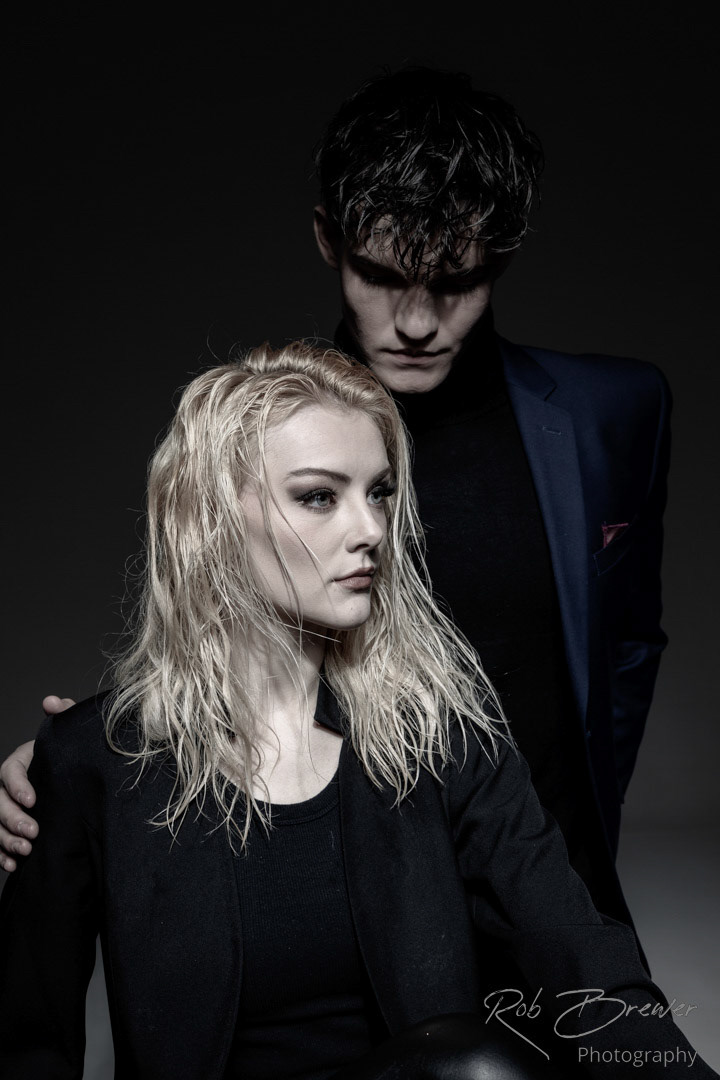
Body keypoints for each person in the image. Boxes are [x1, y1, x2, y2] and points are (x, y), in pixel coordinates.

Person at [0, 69, 670, 933]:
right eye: (381, 275)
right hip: (354, 916)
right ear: (328, 239)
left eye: (455, 280)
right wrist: (78, 761)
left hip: (559, 894)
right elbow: (206, 641)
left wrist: (584, 819)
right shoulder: (252, 432)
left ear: (502, 254)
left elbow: (627, 643)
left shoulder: (614, 411)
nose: (417, 322)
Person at [0, 343, 714, 1079]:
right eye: (319, 496)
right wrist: (58, 762)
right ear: (212, 519)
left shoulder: (439, 738)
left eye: (378, 493)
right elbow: (27, 1044)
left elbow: (586, 964)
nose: (370, 528)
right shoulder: (92, 762)